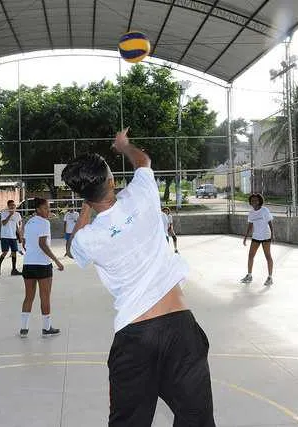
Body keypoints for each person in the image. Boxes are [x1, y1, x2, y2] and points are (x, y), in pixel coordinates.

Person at [62, 129, 215, 426]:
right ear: (112, 181)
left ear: (84, 196)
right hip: (180, 328)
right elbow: (143, 160)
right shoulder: (141, 196)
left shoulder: (89, 239)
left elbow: (72, 248)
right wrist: (124, 146)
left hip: (134, 338)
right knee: (197, 419)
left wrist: (85, 209)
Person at [19, 198, 64, 338]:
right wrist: (57, 261)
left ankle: (24, 329)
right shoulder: (44, 223)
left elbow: (25, 242)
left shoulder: (29, 222)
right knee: (45, 297)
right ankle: (46, 328)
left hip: (28, 264)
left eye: (48, 208)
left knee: (28, 297)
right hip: (42, 265)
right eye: (45, 208)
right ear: (38, 209)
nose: (48, 211)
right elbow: (43, 244)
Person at [241, 193, 274, 286]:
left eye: (256, 200)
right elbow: (250, 225)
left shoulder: (265, 210)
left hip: (266, 236)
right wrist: (245, 237)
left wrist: (273, 235)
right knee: (250, 256)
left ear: (259, 201)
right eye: (252, 200)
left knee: (268, 256)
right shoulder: (251, 212)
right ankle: (249, 275)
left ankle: (270, 277)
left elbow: (270, 223)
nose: (254, 202)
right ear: (250, 202)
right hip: (256, 236)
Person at [0, 200, 23, 276]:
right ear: (8, 206)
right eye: (11, 205)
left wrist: (20, 236)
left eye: (14, 205)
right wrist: (10, 215)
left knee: (14, 252)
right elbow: (4, 223)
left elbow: (17, 226)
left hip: (13, 236)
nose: (12, 206)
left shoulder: (17, 215)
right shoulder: (4, 213)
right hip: (5, 236)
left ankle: (14, 269)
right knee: (5, 252)